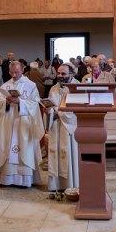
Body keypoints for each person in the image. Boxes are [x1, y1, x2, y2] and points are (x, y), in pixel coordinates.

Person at [0, 61, 45, 187]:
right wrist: (6, 102)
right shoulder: (5, 86)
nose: (14, 75)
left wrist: (20, 102)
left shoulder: (31, 85)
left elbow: (35, 103)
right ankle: (7, 178)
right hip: (8, 122)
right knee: (7, 146)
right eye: (11, 72)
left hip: (24, 122)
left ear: (22, 70)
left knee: (25, 148)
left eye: (16, 72)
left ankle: (25, 180)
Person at [44, 63, 79, 191]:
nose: (60, 76)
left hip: (69, 128)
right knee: (55, 152)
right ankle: (56, 185)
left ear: (71, 74)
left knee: (68, 153)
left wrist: (57, 113)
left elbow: (76, 110)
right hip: (56, 126)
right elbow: (51, 105)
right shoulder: (54, 88)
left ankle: (70, 185)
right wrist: (48, 110)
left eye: (63, 74)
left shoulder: (77, 87)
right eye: (58, 73)